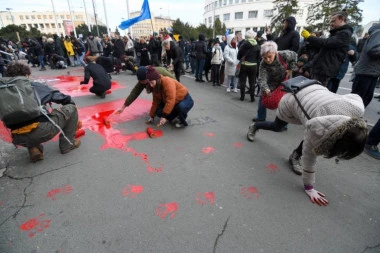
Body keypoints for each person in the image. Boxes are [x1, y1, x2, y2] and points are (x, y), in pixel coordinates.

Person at [247, 82, 367, 205]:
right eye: (342, 151)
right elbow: (309, 156)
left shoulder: (357, 108)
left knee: (317, 135)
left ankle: (294, 155)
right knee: (277, 127)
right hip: (291, 100)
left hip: (314, 90)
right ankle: (255, 125)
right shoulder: (318, 127)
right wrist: (309, 187)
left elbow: (353, 96)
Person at [2, 63, 80, 162]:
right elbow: (61, 97)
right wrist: (71, 106)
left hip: (18, 138)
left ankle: (34, 149)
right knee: (71, 108)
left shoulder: (3, 92)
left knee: (24, 117)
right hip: (42, 131)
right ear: (26, 75)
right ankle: (68, 144)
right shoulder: (32, 86)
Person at [301, 10, 353, 86]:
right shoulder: (337, 33)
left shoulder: (344, 34)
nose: (331, 24)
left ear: (342, 19)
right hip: (322, 68)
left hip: (325, 69)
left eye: (333, 21)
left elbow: (326, 43)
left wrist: (309, 37)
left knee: (317, 92)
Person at [251, 41, 297, 122]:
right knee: (262, 97)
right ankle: (260, 117)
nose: (268, 60)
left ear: (275, 53)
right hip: (271, 82)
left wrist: (291, 69)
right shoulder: (263, 64)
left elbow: (295, 56)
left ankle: (283, 122)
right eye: (265, 58)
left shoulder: (283, 55)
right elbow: (262, 78)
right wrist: (265, 89)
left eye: (269, 56)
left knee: (284, 103)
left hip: (285, 81)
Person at [351, 24, 380, 107]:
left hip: (371, 72)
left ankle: (353, 118)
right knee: (357, 100)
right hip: (366, 72)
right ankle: (348, 118)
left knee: (364, 99)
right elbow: (373, 50)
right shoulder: (378, 32)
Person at [237, 30, 261, 102]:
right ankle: (252, 98)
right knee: (252, 82)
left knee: (243, 81)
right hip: (253, 66)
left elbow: (238, 56)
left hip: (244, 65)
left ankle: (242, 97)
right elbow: (258, 58)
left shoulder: (243, 44)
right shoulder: (257, 45)